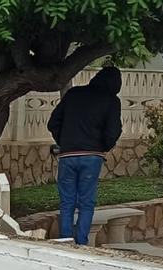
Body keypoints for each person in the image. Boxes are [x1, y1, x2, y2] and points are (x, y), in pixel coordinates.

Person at [47, 66, 123, 245]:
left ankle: (65, 241)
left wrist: (64, 142)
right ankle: (81, 243)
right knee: (86, 203)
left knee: (67, 202)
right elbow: (113, 131)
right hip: (92, 157)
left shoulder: (74, 94)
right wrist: (103, 147)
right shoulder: (111, 101)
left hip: (67, 155)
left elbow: (53, 123)